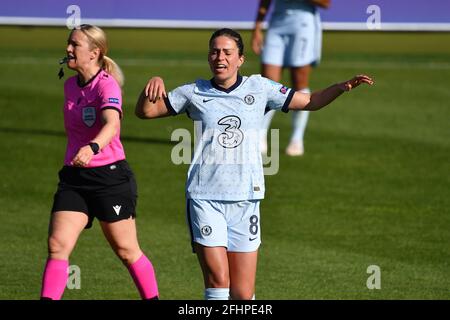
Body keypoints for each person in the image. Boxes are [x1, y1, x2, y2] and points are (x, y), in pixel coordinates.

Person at [135, 28, 373, 300]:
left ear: (240, 59)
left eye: (227, 52)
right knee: (218, 282)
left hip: (247, 198)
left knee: (243, 293)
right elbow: (146, 112)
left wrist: (340, 88)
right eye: (214, 51)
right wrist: (149, 88)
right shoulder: (194, 92)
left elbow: (309, 101)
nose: (220, 57)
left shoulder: (260, 88)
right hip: (205, 198)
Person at [40, 24, 159, 300]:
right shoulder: (70, 85)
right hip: (74, 177)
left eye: (75, 45)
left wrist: (92, 147)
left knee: (127, 251)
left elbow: (112, 123)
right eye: (68, 43)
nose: (68, 49)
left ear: (94, 53)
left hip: (109, 179)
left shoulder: (107, 85)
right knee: (57, 245)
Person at [252, 0, 331, 156]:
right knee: (267, 82)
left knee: (299, 81)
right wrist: (257, 27)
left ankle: (297, 139)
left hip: (303, 24)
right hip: (277, 23)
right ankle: (259, 136)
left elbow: (325, 3)